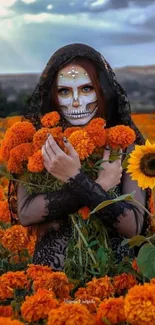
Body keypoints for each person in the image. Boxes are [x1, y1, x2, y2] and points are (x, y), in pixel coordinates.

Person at [14, 43, 151, 271]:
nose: (76, 101)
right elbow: (26, 214)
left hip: (112, 277)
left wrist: (75, 179)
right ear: (52, 95)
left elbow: (133, 227)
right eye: (64, 91)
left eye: (87, 88)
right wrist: (95, 185)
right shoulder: (37, 145)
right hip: (50, 279)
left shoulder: (124, 147)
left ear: (103, 90)